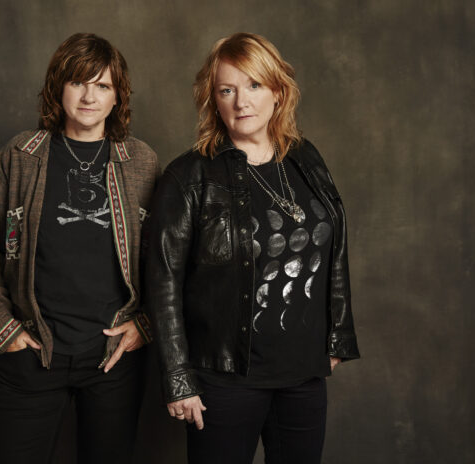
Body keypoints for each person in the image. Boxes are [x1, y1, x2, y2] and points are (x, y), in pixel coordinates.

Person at [145, 32, 360, 464]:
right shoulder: (189, 176)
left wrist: (337, 333)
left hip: (302, 376)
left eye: (254, 86)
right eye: (227, 90)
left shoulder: (306, 158)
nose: (241, 101)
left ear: (278, 93)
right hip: (226, 380)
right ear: (214, 100)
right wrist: (178, 377)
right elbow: (161, 280)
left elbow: (334, 245)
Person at [0, 33, 159, 463]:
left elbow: (164, 261)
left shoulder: (141, 162)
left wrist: (145, 325)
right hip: (33, 352)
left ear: (117, 96)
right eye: (78, 82)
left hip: (113, 358)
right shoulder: (20, 156)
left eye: (103, 85)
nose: (89, 95)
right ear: (59, 87)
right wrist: (5, 329)